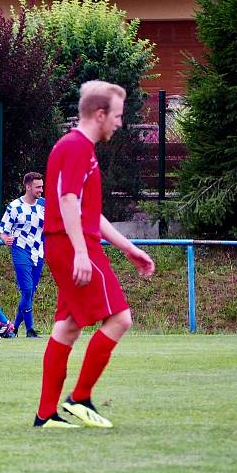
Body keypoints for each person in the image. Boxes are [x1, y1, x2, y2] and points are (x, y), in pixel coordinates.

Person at [34, 81, 155, 429]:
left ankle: (45, 416)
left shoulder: (77, 148)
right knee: (120, 319)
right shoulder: (75, 147)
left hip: (68, 243)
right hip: (73, 245)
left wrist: (129, 248)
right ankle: (79, 398)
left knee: (66, 329)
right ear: (100, 114)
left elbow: (90, 212)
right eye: (117, 116)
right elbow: (68, 200)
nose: (119, 123)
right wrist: (82, 253)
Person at [0, 172, 45, 338]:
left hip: (38, 252)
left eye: (42, 186)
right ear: (28, 187)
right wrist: (6, 239)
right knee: (27, 289)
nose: (41, 189)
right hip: (20, 250)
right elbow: (3, 231)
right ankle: (30, 330)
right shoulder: (14, 206)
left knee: (29, 293)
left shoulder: (44, 205)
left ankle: (14, 328)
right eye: (38, 187)